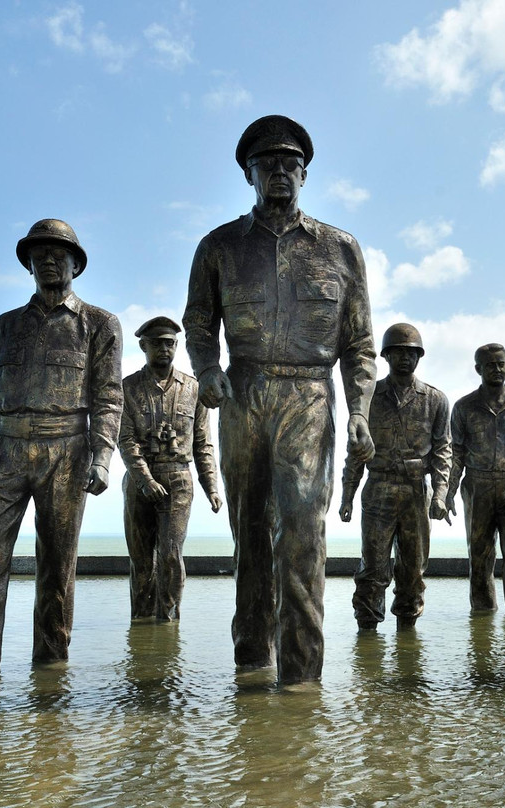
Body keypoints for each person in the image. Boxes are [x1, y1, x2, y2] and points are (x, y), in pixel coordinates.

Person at [182, 115, 377, 684]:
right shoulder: (219, 246)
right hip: (243, 395)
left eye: (290, 166)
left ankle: (301, 679)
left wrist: (360, 410)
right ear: (249, 175)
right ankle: (251, 666)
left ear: (305, 175)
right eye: (267, 166)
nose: (279, 174)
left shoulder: (341, 249)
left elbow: (360, 342)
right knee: (250, 530)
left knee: (302, 532)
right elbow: (198, 322)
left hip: (309, 397)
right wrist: (208, 369)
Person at [0, 219, 123, 672]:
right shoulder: (4, 326)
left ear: (75, 265)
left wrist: (103, 458)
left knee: (57, 568)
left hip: (66, 449)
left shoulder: (100, 324)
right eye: (39, 253)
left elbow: (108, 397)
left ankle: (50, 674)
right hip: (4, 452)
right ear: (28, 264)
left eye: (58, 253)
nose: (48, 259)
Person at [339, 323, 451, 631]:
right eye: (398, 352)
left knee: (413, 570)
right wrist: (347, 496)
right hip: (378, 490)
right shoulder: (370, 398)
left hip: (416, 492)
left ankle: (407, 639)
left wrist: (440, 494)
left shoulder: (435, 400)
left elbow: (443, 451)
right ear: (386, 356)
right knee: (372, 568)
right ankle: (367, 636)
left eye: (411, 353)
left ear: (419, 357)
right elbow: (356, 451)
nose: (405, 358)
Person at [119, 316, 222, 623]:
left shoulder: (194, 389)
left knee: (170, 555)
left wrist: (212, 487)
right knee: (140, 558)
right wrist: (145, 479)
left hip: (179, 479)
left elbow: (204, 444)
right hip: (139, 481)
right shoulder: (127, 388)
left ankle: (168, 622)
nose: (164, 349)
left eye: (170, 343)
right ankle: (140, 622)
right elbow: (124, 439)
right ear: (143, 346)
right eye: (157, 343)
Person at [447, 343, 505, 614]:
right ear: (479, 369)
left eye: (501, 364)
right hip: (477, 489)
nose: (497, 369)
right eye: (490, 365)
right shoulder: (464, 408)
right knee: (480, 558)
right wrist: (449, 492)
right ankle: (482, 620)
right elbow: (456, 454)